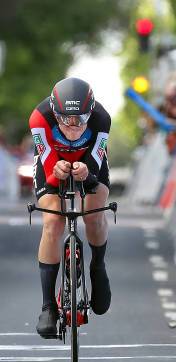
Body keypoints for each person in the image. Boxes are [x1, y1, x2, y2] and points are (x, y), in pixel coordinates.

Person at [29, 77, 112, 338]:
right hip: (52, 163)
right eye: (66, 119)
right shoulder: (39, 118)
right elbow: (47, 161)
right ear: (55, 113)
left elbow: (96, 164)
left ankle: (98, 266)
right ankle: (47, 307)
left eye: (80, 119)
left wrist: (86, 174)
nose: (73, 126)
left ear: (90, 112)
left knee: (94, 214)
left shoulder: (102, 118)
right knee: (53, 221)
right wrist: (57, 173)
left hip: (88, 163)